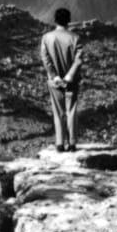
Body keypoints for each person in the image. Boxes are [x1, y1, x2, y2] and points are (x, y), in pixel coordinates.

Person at [40, 8, 83, 152]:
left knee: (58, 112)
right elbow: (78, 60)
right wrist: (69, 77)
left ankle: (59, 144)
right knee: (71, 110)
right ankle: (72, 143)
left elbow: (45, 59)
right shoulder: (75, 38)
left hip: (54, 82)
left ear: (55, 20)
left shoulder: (47, 38)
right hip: (71, 82)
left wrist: (55, 76)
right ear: (69, 20)